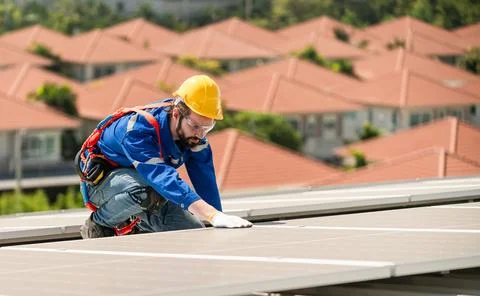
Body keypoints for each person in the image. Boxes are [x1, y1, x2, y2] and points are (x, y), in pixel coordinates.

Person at [76, 75, 252, 239]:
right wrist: (211, 215)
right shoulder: (137, 130)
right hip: (103, 185)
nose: (200, 134)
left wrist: (218, 217)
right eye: (195, 126)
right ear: (176, 114)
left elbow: (205, 180)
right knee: (145, 190)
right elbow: (161, 177)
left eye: (207, 128)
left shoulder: (195, 136)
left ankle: (138, 223)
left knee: (193, 233)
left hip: (147, 186)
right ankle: (99, 224)